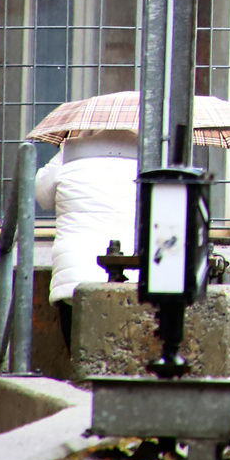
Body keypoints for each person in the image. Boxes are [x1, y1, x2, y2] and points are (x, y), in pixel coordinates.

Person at [32, 128, 138, 347]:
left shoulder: (70, 151)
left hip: (75, 274)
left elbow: (41, 196)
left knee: (80, 358)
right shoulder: (150, 155)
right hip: (134, 271)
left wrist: (69, 144)